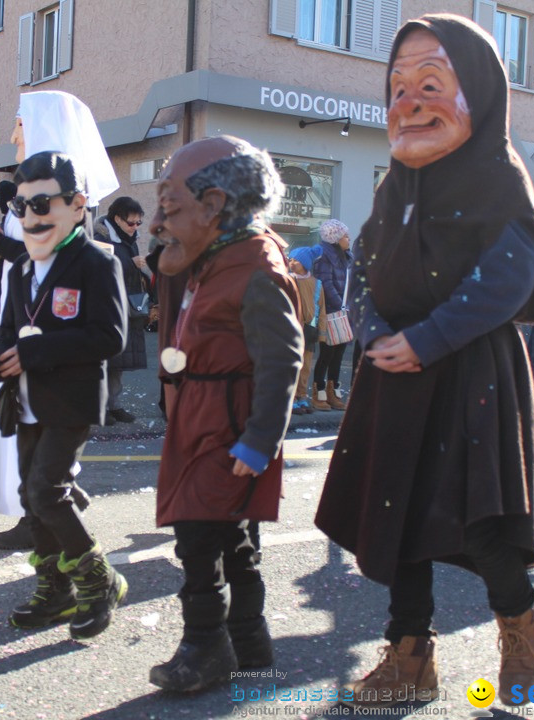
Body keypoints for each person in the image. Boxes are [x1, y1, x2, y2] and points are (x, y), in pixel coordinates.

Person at [313, 15, 534, 708]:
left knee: (482, 524)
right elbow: (362, 269)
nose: (411, 102)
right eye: (398, 88)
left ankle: (521, 626)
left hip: (472, 375)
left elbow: (509, 279)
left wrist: (428, 338)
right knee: (398, 519)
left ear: (479, 93)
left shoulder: (498, 178)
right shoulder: (394, 186)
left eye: (431, 84)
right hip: (394, 378)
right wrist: (375, 332)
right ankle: (409, 656)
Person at [148, 136, 302, 692]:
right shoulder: (215, 256)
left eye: (172, 202)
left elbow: (282, 362)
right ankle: (251, 639)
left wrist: (260, 440)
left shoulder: (256, 267)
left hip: (227, 423)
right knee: (228, 534)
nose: (160, 216)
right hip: (201, 414)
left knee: (197, 537)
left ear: (214, 206)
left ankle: (206, 646)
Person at [0, 90, 119, 550]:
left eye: (19, 122)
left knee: (32, 424)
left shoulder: (63, 201)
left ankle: (45, 518)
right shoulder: (33, 194)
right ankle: (53, 501)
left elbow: (53, 258)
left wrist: (0, 248)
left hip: (45, 341)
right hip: (22, 328)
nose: (12, 132)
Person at [0, 150, 128, 640]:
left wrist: (36, 352)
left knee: (48, 490)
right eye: (22, 207)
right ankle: (56, 592)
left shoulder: (97, 261)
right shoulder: (24, 266)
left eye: (42, 204)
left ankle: (98, 581)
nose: (30, 216)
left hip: (71, 397)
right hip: (25, 398)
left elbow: (111, 338)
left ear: (77, 204)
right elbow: (10, 328)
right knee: (32, 496)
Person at [93, 196, 149, 424]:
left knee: (118, 362)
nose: (135, 227)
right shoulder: (100, 239)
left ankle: (114, 405)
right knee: (103, 361)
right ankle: (99, 408)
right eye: (131, 223)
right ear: (117, 219)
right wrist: (131, 264)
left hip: (127, 307)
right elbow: (100, 269)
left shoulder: (128, 239)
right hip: (105, 308)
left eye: (138, 223)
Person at [311, 219, 353, 411]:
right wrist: (340, 305)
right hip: (330, 311)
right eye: (345, 235)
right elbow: (326, 284)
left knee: (339, 353)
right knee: (327, 353)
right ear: (335, 238)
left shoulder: (346, 256)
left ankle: (333, 391)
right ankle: (318, 392)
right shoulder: (324, 257)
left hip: (343, 311)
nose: (349, 238)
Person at [288, 244, 324, 415]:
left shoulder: (316, 283)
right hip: (291, 328)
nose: (291, 262)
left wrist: (322, 333)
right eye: (290, 259)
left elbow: (321, 308)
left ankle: (302, 395)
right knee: (291, 365)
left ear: (306, 264)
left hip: (309, 329)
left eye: (296, 260)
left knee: (306, 365)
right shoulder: (287, 280)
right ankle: (291, 397)